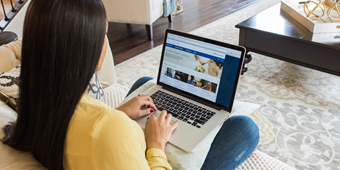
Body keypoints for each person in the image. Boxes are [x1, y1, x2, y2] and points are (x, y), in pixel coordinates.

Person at [1, 0, 259, 169]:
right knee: (245, 128)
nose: (106, 41)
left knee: (147, 84)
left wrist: (118, 112)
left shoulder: (36, 103)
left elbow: (84, 128)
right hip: (144, 155)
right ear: (85, 51)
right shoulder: (112, 129)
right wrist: (156, 145)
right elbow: (106, 135)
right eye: (103, 33)